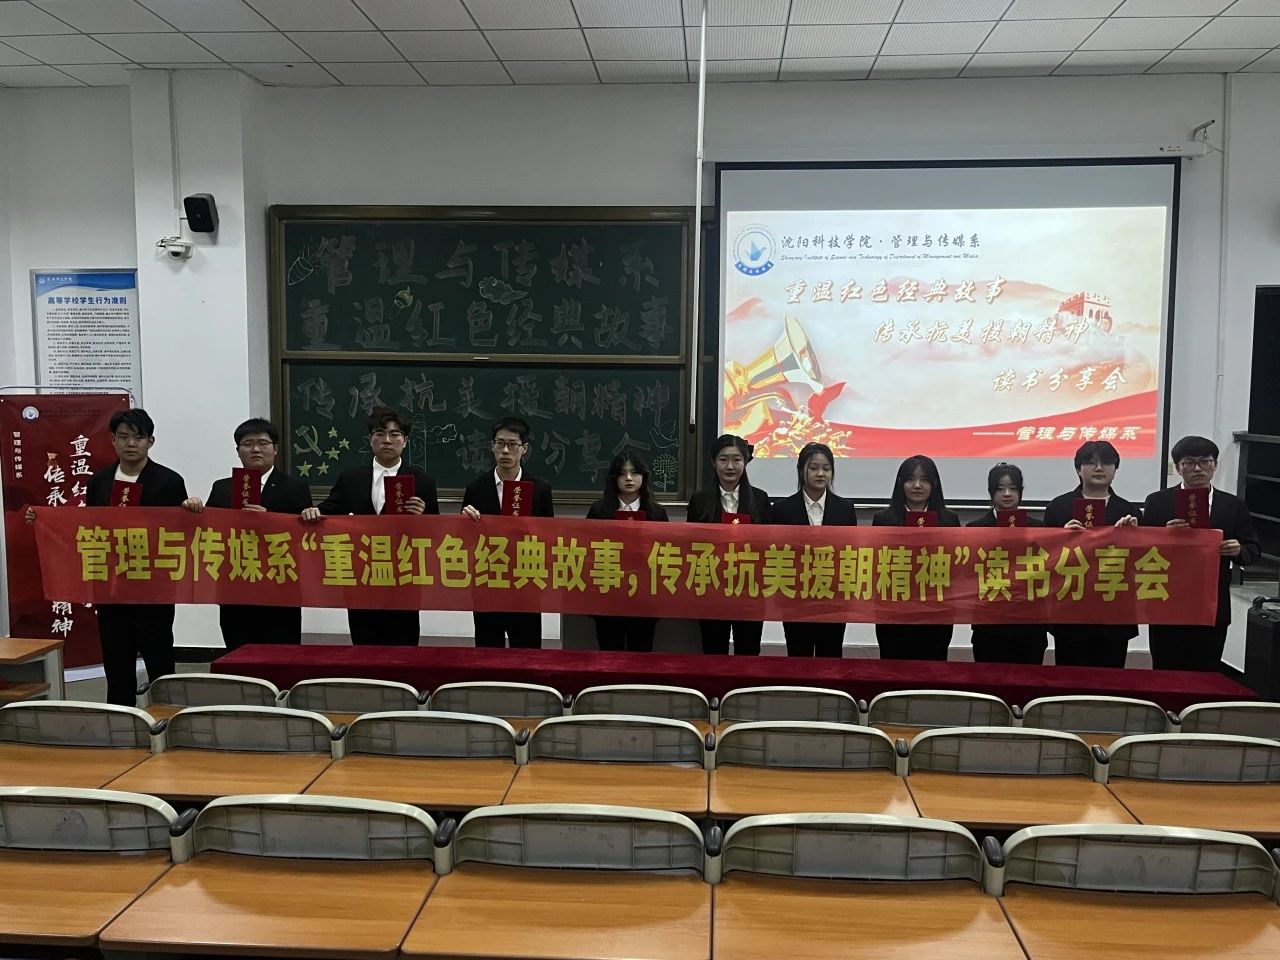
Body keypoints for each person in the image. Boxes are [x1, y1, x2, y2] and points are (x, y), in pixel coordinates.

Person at [301, 406, 439, 646]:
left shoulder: (423, 481)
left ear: (405, 441)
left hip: (403, 575)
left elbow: (436, 531)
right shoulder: (350, 478)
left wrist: (423, 515)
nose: (387, 440)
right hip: (360, 573)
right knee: (363, 643)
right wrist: (312, 511)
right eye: (380, 433)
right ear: (370, 439)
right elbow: (329, 509)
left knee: (404, 645)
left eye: (395, 434)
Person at [86, 409, 188, 706]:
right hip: (111, 586)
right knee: (116, 659)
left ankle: (166, 717)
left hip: (152, 586)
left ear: (150, 441)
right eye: (124, 437)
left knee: (159, 657)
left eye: (138, 437)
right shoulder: (100, 481)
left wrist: (191, 509)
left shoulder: (169, 481)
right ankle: (120, 718)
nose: (131, 443)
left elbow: (181, 532)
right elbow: (87, 526)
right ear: (113, 440)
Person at [182, 418, 312, 650]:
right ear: (238, 451)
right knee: (237, 652)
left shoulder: (295, 487)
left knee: (281, 653)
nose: (255, 449)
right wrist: (192, 509)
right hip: (234, 586)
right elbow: (207, 533)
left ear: (275, 448)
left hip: (279, 587)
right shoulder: (222, 487)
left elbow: (304, 538)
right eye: (248, 444)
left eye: (263, 443)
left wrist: (269, 519)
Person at [1140, 435, 1260, 671]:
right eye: (1189, 462)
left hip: (1212, 604)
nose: (1197, 468)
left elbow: (1253, 549)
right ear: (1178, 468)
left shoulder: (1232, 505)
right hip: (1167, 601)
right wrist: (1164, 535)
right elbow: (1141, 548)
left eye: (1205, 461)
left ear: (1215, 465)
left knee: (1206, 670)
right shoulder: (1157, 502)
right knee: (1165, 669)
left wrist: (1238, 550)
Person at [1042, 440, 1142, 668]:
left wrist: (1135, 538)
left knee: (1110, 678)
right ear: (1079, 469)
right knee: (1070, 677)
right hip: (1070, 609)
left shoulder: (1130, 511)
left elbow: (1142, 565)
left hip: (1114, 610)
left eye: (1106, 463)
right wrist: (1060, 538)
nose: (1099, 468)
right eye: (1090, 462)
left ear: (1115, 469)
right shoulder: (1058, 507)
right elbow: (1044, 560)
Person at [461, 416, 554, 648]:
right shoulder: (476, 487)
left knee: (527, 651)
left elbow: (549, 537)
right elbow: (465, 541)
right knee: (488, 650)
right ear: (491, 446)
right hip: (487, 581)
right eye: (500, 443)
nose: (505, 450)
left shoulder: (540, 489)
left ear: (524, 449)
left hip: (526, 582)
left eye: (512, 445)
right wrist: (464, 521)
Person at [687, 434, 772, 655]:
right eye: (723, 460)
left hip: (749, 590)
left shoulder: (760, 499)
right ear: (713, 462)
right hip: (713, 589)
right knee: (714, 652)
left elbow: (769, 545)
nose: (730, 466)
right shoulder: (699, 501)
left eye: (737, 459)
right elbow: (692, 546)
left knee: (748, 651)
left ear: (745, 462)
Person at [771, 442, 857, 657]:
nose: (820, 474)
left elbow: (851, 554)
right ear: (801, 471)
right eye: (814, 468)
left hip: (833, 597)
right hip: (795, 597)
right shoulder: (782, 510)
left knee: (831, 656)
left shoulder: (845, 509)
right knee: (798, 656)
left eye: (826, 469)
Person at [871, 455, 960, 661]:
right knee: (894, 669)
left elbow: (956, 568)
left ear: (934, 484)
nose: (917, 486)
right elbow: (876, 567)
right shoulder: (884, 520)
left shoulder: (948, 520)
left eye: (924, 480)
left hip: (937, 613)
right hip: (894, 613)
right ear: (900, 483)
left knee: (933, 669)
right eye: (911, 479)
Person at [585, 450, 669, 652]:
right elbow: (587, 553)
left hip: (644, 599)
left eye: (634, 472)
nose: (629, 478)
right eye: (622, 473)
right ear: (614, 478)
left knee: (640, 656)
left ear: (643, 476)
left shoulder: (656, 513)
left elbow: (665, 555)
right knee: (609, 655)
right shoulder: (599, 511)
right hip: (608, 597)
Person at [965, 463, 1048, 665]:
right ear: (991, 492)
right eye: (1001, 489)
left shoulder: (1038, 528)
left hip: (1030, 626)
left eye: (1013, 488)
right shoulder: (975, 529)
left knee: (1029, 679)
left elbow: (1049, 570)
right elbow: (967, 574)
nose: (1007, 494)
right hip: (989, 626)